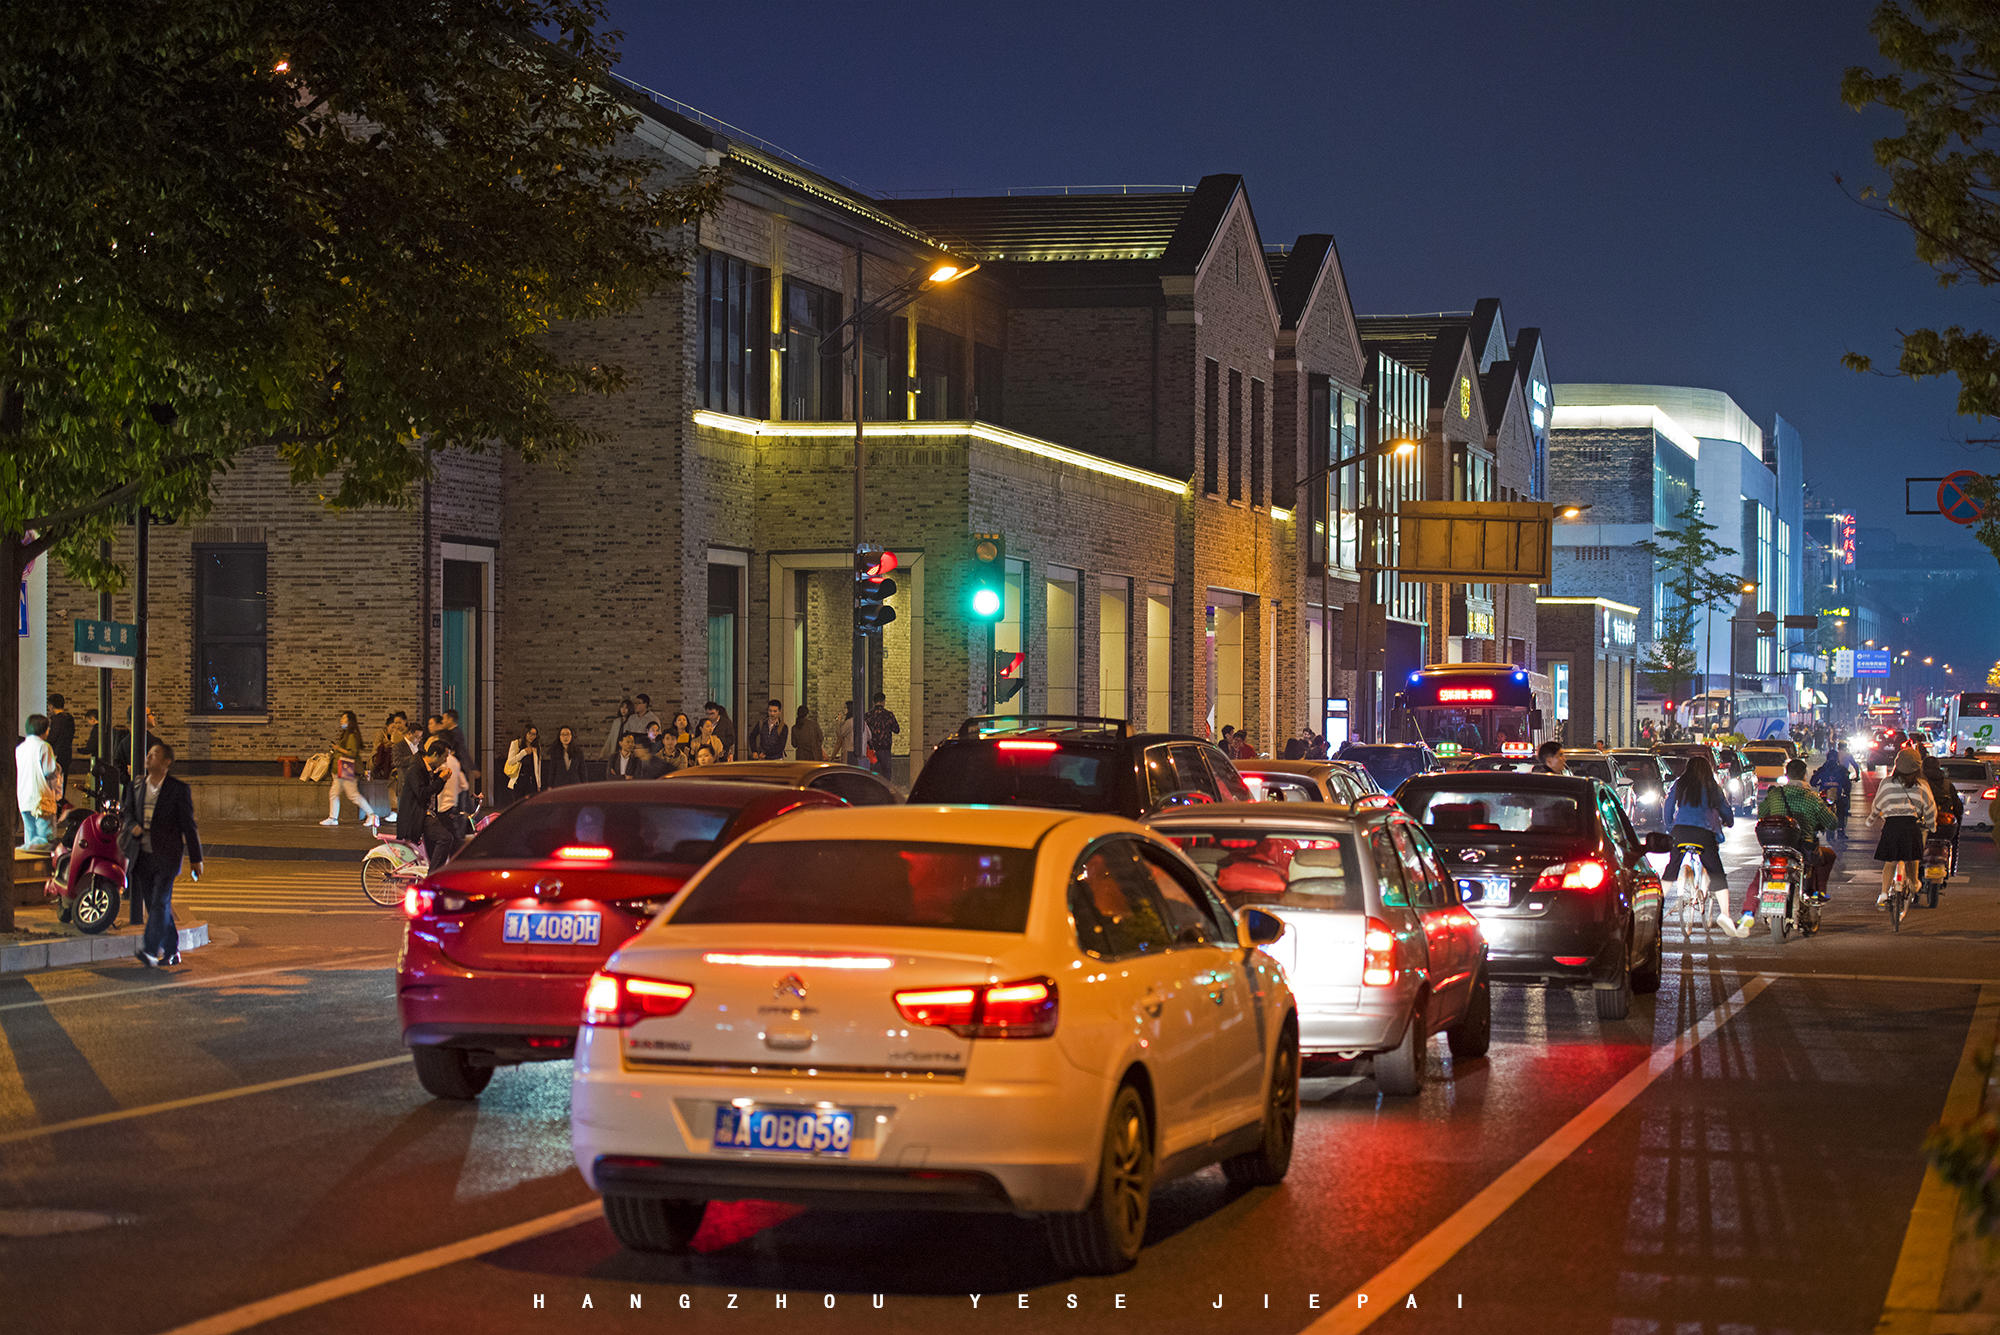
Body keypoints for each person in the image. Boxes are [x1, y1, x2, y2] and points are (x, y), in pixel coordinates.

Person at [124, 742, 201, 968]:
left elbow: (189, 825)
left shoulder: (177, 789)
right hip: (142, 855)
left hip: (167, 855)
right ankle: (171, 950)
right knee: (156, 905)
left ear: (166, 762)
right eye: (148, 754)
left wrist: (196, 858)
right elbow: (126, 812)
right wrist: (132, 826)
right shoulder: (136, 785)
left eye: (154, 755)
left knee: (159, 903)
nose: (149, 757)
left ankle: (149, 950)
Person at [1662, 751, 1733, 918]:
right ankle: (1725, 915)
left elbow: (1668, 805)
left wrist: (1670, 826)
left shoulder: (1680, 783)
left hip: (1680, 832)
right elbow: (1725, 810)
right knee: (1717, 873)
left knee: (1671, 869)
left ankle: (1655, 906)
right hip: (1704, 834)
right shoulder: (1712, 787)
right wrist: (1729, 821)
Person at [1757, 759, 1838, 903]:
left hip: (1775, 846)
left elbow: (1761, 815)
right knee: (1829, 855)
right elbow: (1832, 823)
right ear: (1804, 776)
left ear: (1786, 775)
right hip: (1803, 847)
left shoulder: (1775, 794)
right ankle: (1818, 893)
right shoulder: (1813, 798)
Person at [1870, 747, 1936, 908]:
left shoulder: (1886, 782)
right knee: (1911, 857)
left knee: (1890, 861)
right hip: (1910, 825)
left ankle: (1884, 893)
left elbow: (1877, 804)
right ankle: (1914, 883)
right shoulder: (1921, 785)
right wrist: (1931, 825)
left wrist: (1873, 818)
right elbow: (1930, 808)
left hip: (1891, 825)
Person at [323, 710, 383, 827]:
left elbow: (352, 753)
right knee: (334, 793)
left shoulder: (351, 735)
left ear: (350, 721)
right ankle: (333, 817)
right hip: (341, 769)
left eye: (344, 719)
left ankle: (372, 815)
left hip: (346, 768)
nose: (341, 721)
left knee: (353, 795)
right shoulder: (347, 734)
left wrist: (338, 748)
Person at [16, 713, 62, 851]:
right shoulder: (44, 746)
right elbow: (49, 771)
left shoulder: (20, 748)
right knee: (44, 840)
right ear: (45, 729)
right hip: (42, 797)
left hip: (24, 797)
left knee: (30, 836)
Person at [1810, 744, 1854, 823]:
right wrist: (1847, 791)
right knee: (1842, 809)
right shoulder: (1841, 769)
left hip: (1827, 795)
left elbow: (1813, 782)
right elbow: (1847, 784)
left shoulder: (1822, 769)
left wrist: (1815, 783)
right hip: (1836, 795)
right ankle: (1841, 830)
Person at [503, 724, 543, 805]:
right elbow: (510, 761)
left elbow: (538, 767)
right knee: (518, 806)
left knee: (530, 806)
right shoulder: (516, 744)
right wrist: (523, 753)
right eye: (530, 733)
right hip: (519, 781)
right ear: (525, 733)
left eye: (534, 734)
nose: (532, 736)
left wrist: (539, 784)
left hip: (531, 781)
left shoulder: (536, 747)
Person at [866, 692, 899, 780]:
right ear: (883, 701)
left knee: (874, 776)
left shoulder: (868, 715)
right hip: (885, 749)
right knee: (886, 776)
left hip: (872, 750)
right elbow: (897, 729)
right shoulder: (889, 715)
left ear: (874, 702)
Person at [600, 698, 635, 771]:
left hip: (627, 751)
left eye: (626, 708)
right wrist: (603, 753)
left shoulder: (632, 721)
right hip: (616, 750)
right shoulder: (616, 722)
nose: (623, 710)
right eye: (622, 707)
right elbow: (610, 738)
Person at [46, 694, 74, 780]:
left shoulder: (57, 720)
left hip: (57, 754)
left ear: (51, 705)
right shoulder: (70, 718)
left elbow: (53, 738)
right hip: (67, 753)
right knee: (63, 779)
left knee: (55, 781)